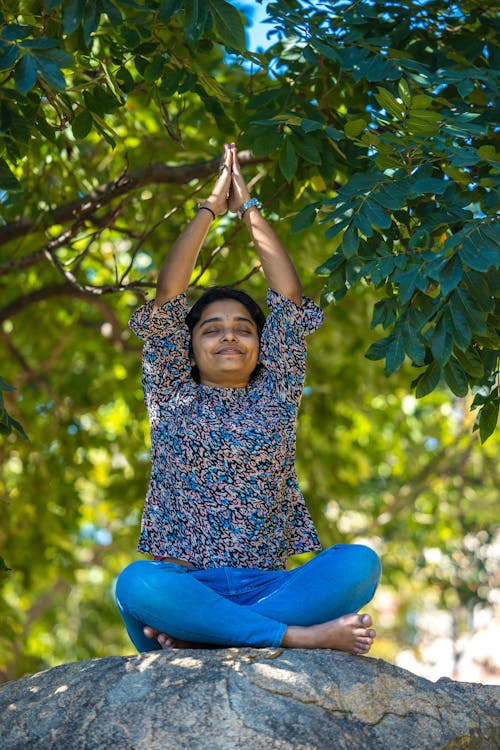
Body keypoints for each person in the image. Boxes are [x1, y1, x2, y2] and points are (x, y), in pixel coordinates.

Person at [115, 143, 381, 654]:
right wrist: (211, 207)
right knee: (134, 584)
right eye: (212, 330)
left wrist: (249, 208)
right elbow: (170, 295)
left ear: (262, 346)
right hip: (186, 588)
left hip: (270, 586)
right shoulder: (169, 390)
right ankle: (291, 637)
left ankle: (210, 635)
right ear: (188, 348)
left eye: (243, 329)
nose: (230, 337)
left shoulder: (277, 391)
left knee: (359, 563)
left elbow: (288, 298)